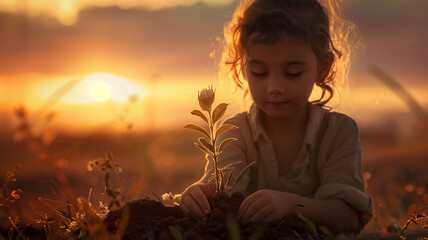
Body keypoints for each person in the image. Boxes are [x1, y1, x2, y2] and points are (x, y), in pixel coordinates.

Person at [179, 0, 373, 234]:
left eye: (292, 72)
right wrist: (197, 195)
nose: (274, 87)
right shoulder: (234, 133)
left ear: (323, 66)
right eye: (259, 72)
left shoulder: (338, 132)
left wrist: (289, 205)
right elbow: (219, 194)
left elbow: (348, 217)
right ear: (242, 66)